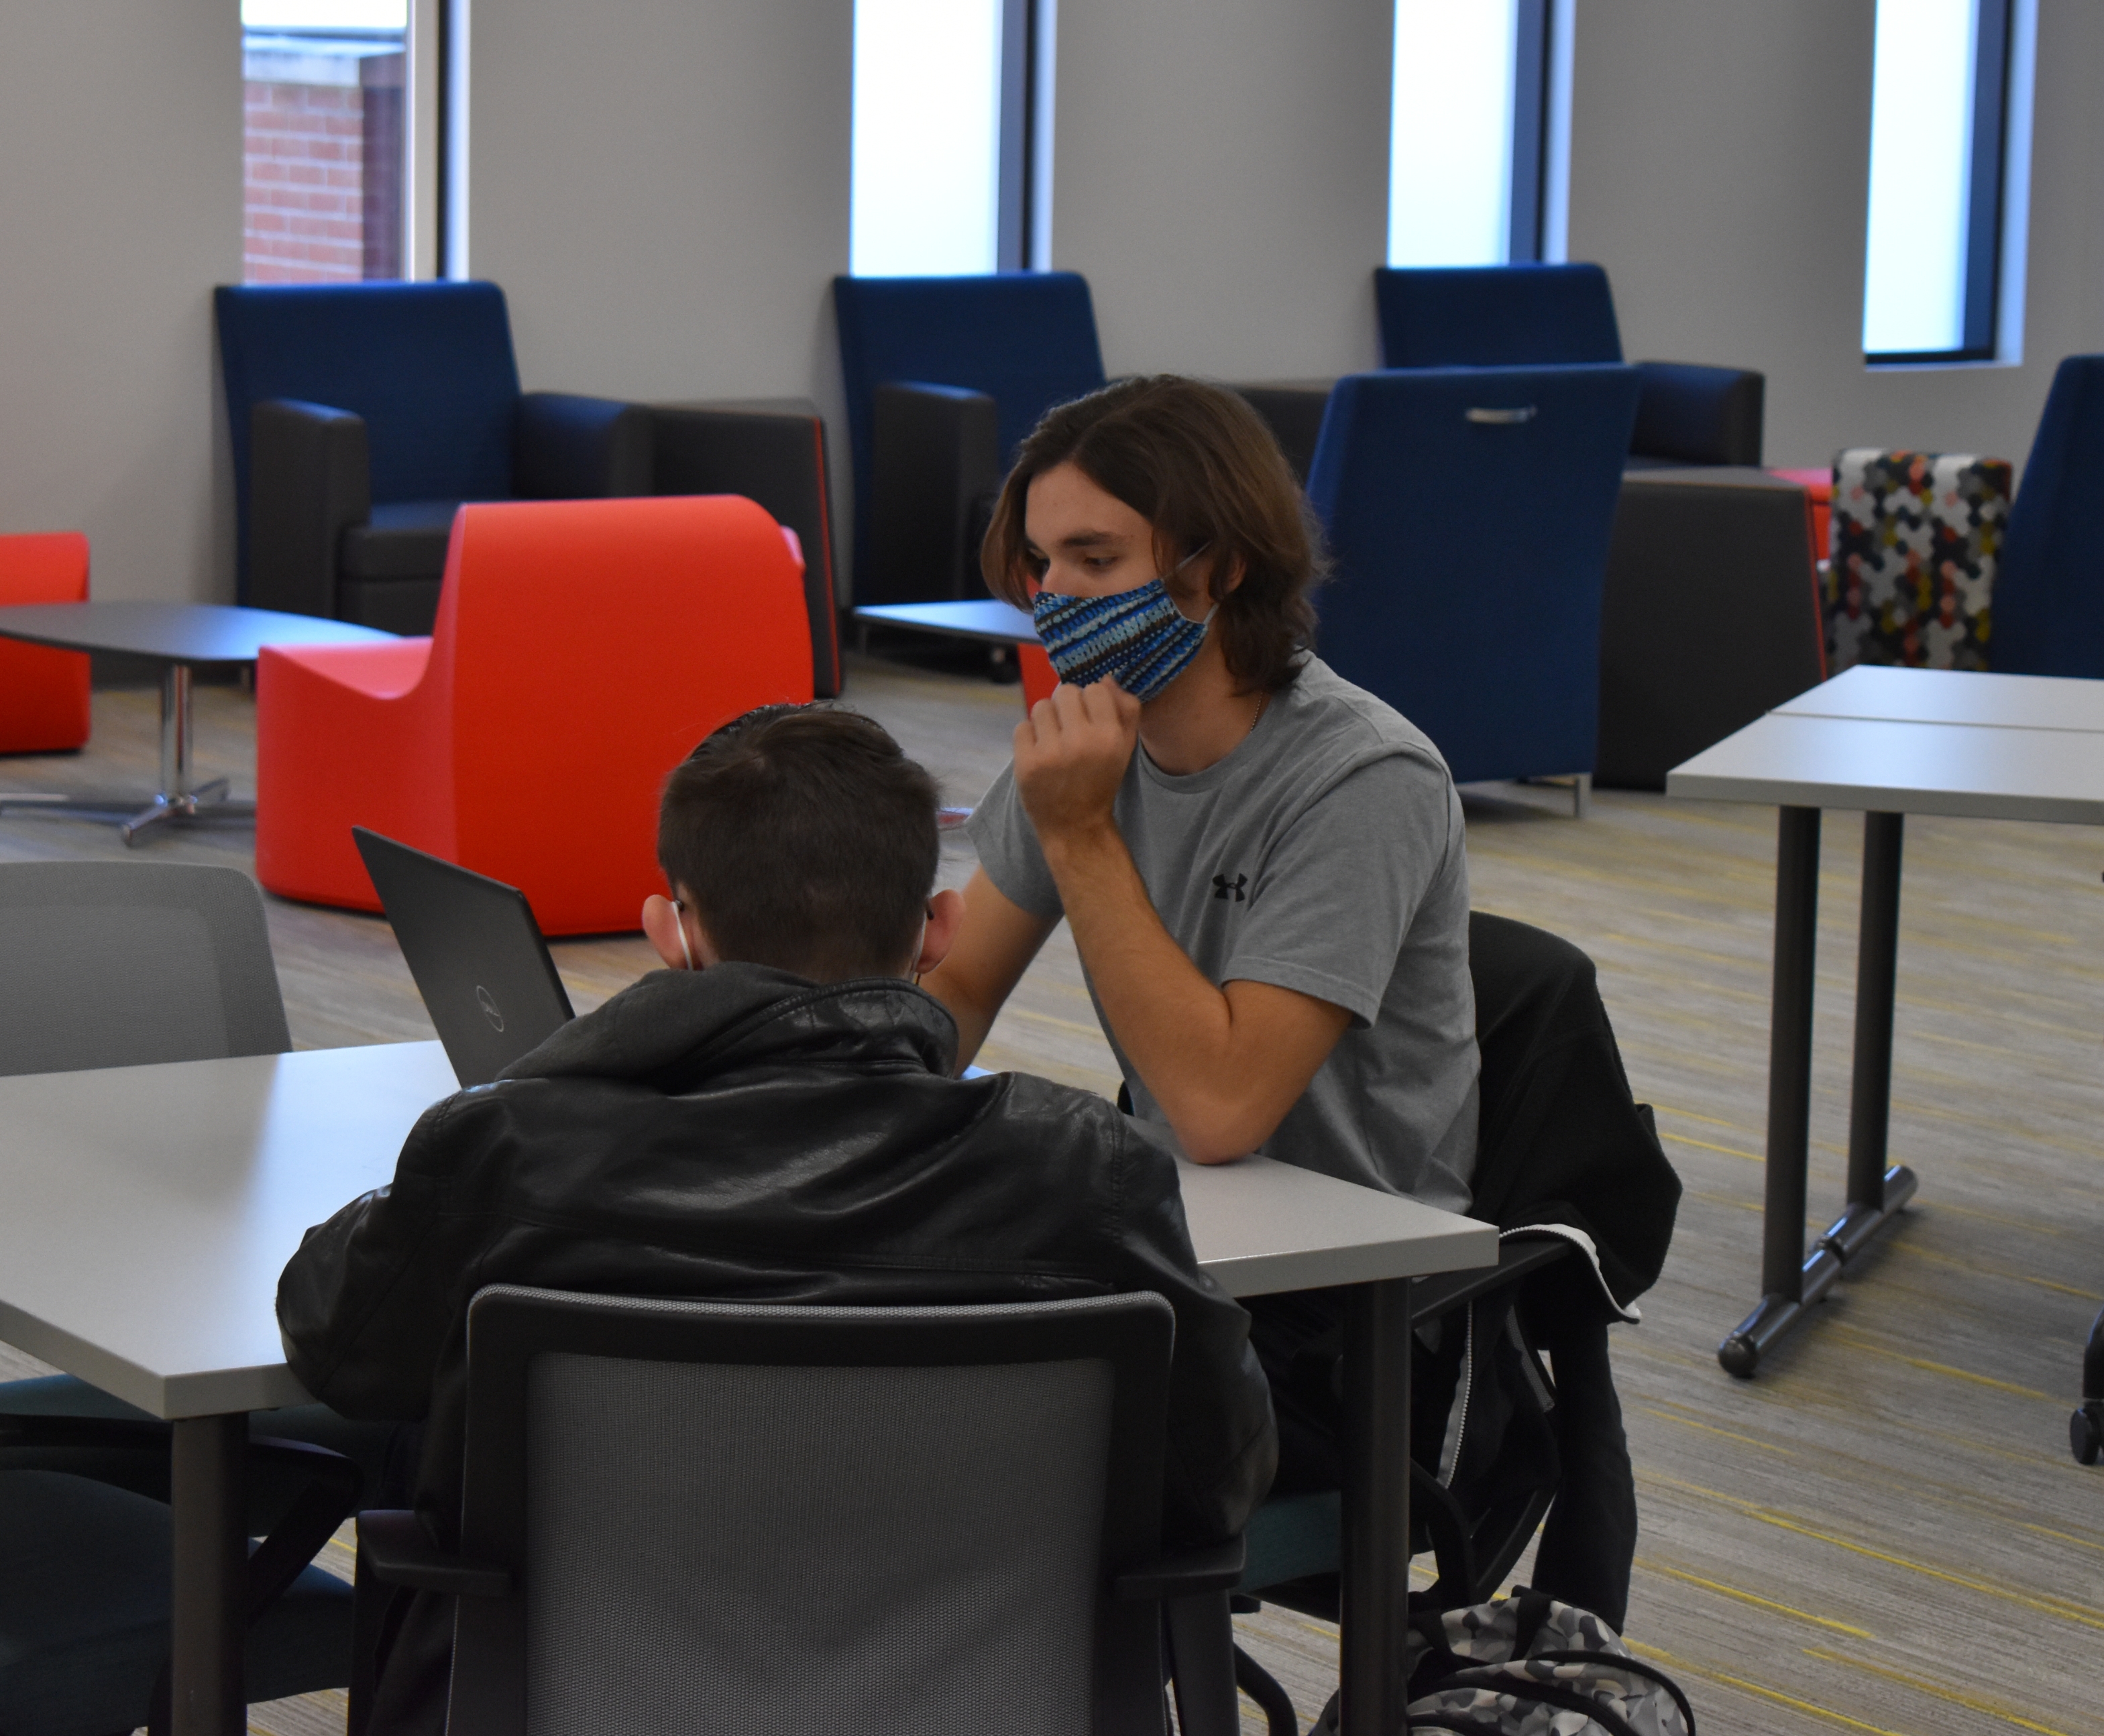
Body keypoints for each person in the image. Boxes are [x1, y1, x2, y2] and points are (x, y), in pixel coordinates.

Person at [277, 703, 1276, 1735]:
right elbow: (1222, 1476)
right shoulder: (1081, 1168)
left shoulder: (518, 1150)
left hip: (571, 1700)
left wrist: (549, 1074)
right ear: (939, 927)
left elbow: (337, 1346)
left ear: (677, 930)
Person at [920, 373, 1481, 1491]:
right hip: (1175, 1253)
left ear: (1217, 567)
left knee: (952, 1445)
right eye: (1043, 565)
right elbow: (955, 993)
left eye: (1096, 560)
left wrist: (1082, 836)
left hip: (1334, 1321)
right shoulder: (1093, 741)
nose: (1055, 599)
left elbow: (1220, 1110)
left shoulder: (1363, 777)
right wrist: (801, 1066)